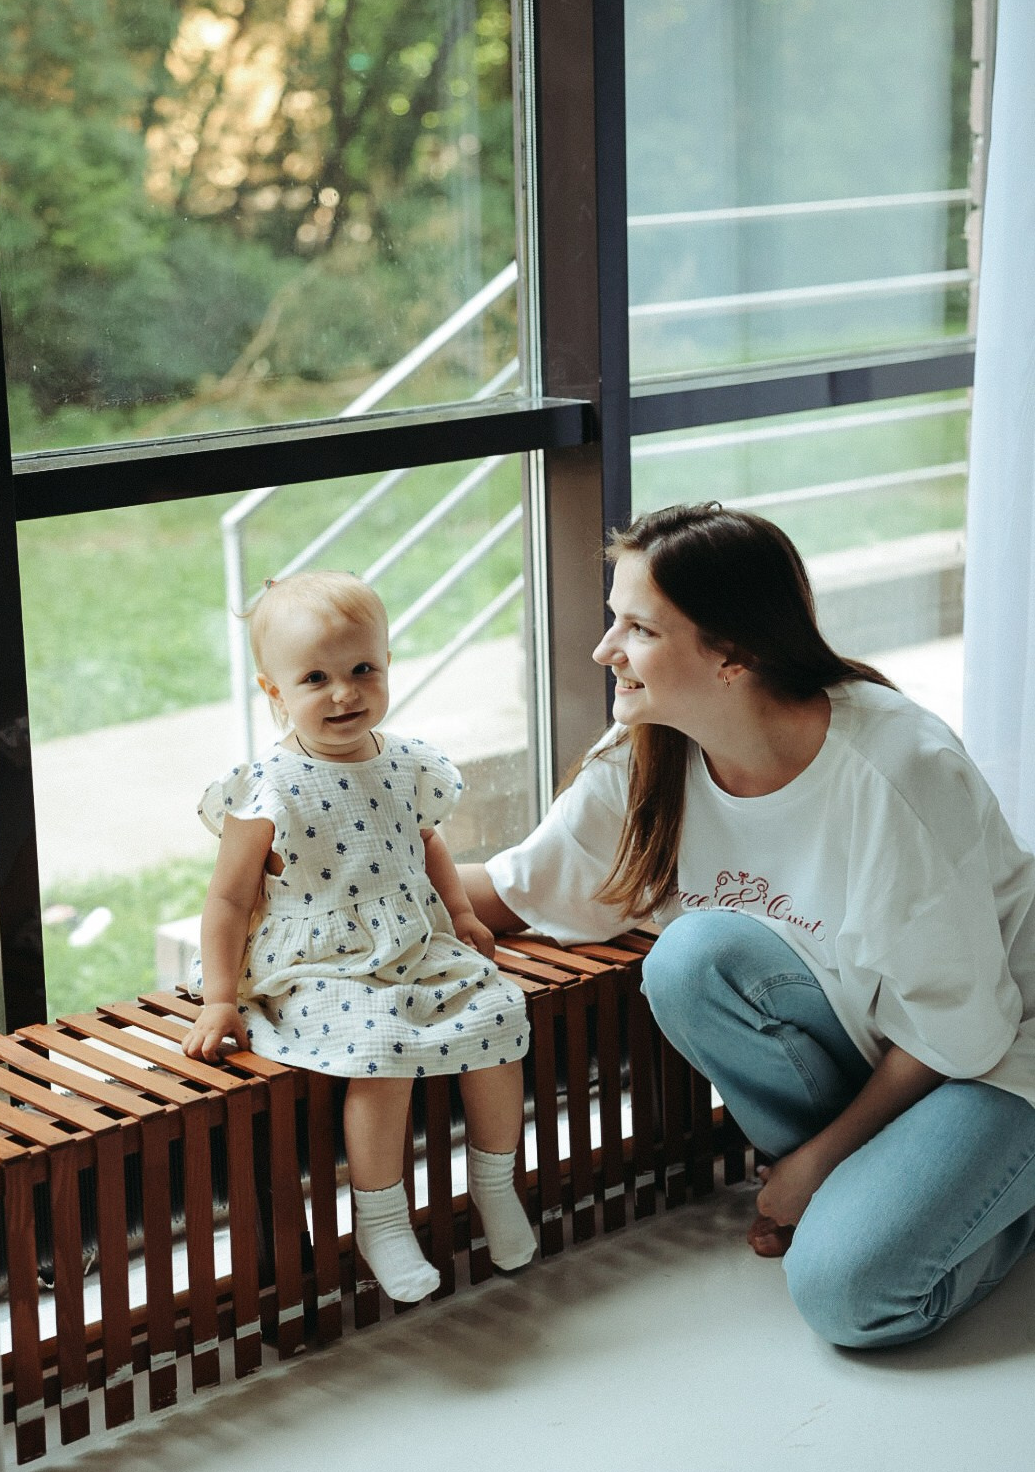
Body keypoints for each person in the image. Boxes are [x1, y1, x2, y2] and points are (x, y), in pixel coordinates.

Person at [461, 502, 1035, 1349]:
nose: (604, 651)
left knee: (850, 1296)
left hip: (994, 1056)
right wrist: (299, 890)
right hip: (874, 1043)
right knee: (693, 956)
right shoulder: (649, 757)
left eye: (640, 629)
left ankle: (982, 1203)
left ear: (732, 652)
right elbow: (514, 890)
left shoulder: (896, 772)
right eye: (612, 620)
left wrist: (815, 1163)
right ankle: (887, 1195)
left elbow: (960, 1026)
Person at [182, 570, 535, 1302]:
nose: (344, 693)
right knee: (379, 1052)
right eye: (316, 677)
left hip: (411, 943)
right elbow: (225, 898)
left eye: (362, 669)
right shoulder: (268, 784)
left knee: (501, 1014)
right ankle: (381, 1217)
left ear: (386, 666)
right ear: (273, 690)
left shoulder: (405, 761)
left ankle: (496, 1185)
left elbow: (429, 842)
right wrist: (219, 998)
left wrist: (461, 915)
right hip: (316, 965)